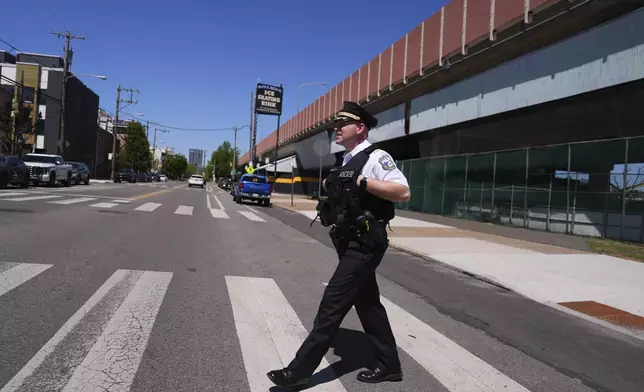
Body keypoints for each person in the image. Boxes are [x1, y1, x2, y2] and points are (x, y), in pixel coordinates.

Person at [267, 101, 411, 389]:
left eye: (342, 123)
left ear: (359, 128)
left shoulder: (376, 157)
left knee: (332, 303)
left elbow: (403, 191)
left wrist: (363, 182)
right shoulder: (345, 161)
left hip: (366, 244)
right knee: (368, 305)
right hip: (349, 242)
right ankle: (389, 365)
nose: (336, 128)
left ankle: (299, 371)